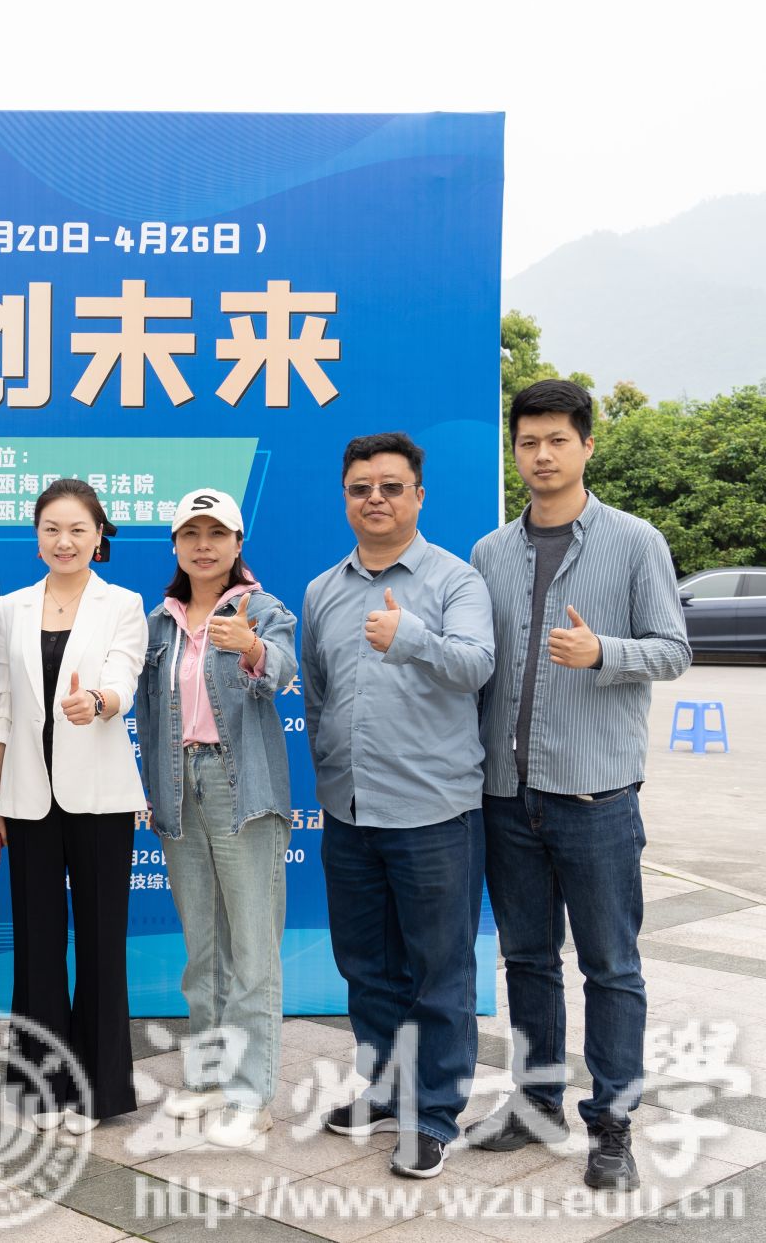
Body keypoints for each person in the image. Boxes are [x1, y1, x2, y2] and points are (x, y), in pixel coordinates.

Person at [463, 380, 689, 1191]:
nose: (543, 455)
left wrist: (604, 654)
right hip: (507, 794)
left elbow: (674, 649)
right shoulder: (490, 553)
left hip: (596, 796)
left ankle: (613, 1125)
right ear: (514, 451)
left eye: (558, 439)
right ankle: (535, 1105)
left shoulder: (634, 542)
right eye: (528, 442)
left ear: (587, 445)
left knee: (611, 966)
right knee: (527, 959)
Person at [302, 433, 494, 1180]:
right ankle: (385, 1088)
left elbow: (476, 665)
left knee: (439, 970)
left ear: (418, 495)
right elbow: (318, 694)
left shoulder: (456, 581)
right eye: (360, 488)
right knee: (366, 964)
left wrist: (410, 637)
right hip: (350, 811)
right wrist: (330, 768)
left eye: (390, 486)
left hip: (433, 811)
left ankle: (435, 1113)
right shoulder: (323, 590)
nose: (374, 499)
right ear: (345, 498)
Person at [134, 489, 299, 1149]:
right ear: (176, 545)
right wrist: (153, 790)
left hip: (242, 788)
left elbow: (282, 672)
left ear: (237, 543)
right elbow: (148, 715)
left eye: (217, 534)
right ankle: (206, 1079)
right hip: (179, 789)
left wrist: (252, 646)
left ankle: (252, 1094)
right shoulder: (160, 623)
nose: (203, 546)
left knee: (251, 947)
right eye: (191, 534)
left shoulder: (264, 609)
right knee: (203, 947)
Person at [0, 479, 145, 1134]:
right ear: (36, 536)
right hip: (27, 798)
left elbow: (124, 678)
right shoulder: (10, 609)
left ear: (99, 535)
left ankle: (100, 1091)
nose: (64, 541)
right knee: (37, 945)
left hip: (101, 799)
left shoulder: (123, 604)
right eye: (52, 528)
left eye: (78, 529)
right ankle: (43, 1085)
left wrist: (98, 702)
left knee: (102, 943)